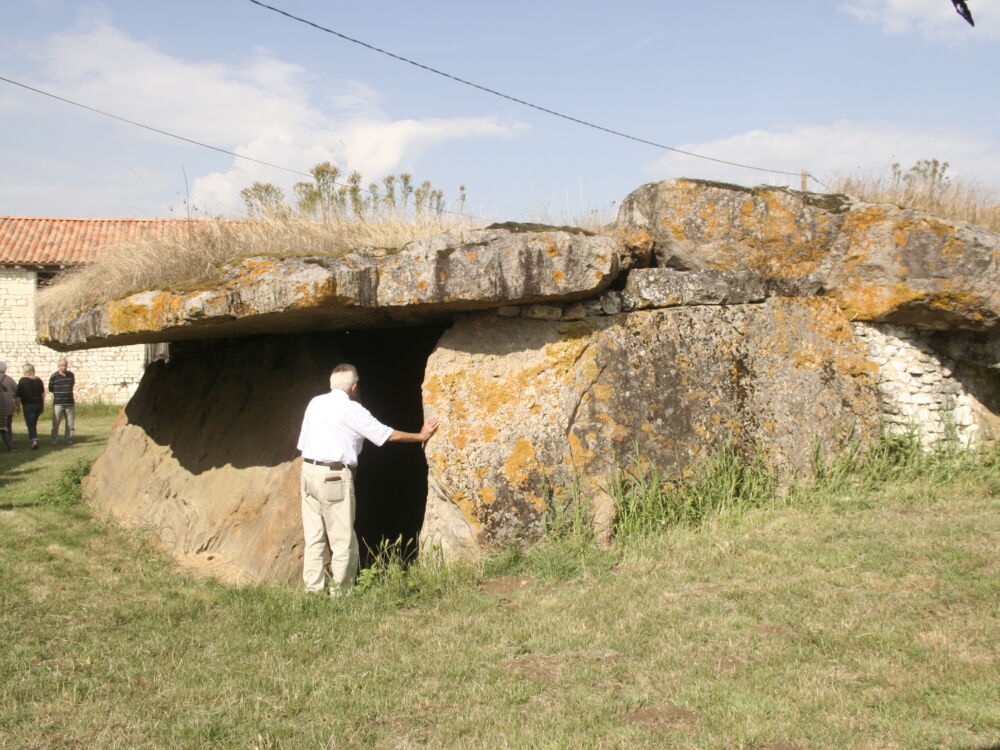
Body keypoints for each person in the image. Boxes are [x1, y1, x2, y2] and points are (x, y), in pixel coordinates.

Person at [297, 363, 439, 596]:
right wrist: (421, 435)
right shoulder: (352, 410)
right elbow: (387, 435)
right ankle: (341, 593)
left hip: (308, 473)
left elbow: (303, 444)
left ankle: (313, 590)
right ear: (354, 386)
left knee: (314, 536)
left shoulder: (315, 404)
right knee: (342, 538)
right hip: (334, 476)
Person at [16, 364, 45, 450]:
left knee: (30, 424)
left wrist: (17, 406)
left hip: (28, 405)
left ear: (25, 371)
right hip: (38, 405)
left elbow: (18, 396)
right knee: (33, 423)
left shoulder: (22, 380)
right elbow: (43, 394)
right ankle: (33, 438)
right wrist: (41, 404)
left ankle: (34, 441)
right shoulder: (39, 380)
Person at [49, 358, 76, 445]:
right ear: (58, 366)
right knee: (56, 423)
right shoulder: (54, 376)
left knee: (70, 424)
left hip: (69, 402)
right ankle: (54, 440)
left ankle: (68, 439)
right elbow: (50, 388)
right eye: (61, 365)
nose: (63, 367)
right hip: (58, 403)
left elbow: (72, 385)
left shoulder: (71, 375)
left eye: (65, 365)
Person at [0, 362, 18, 452]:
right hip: (7, 405)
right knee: (7, 426)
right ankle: (10, 445)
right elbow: (17, 390)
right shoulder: (9, 379)